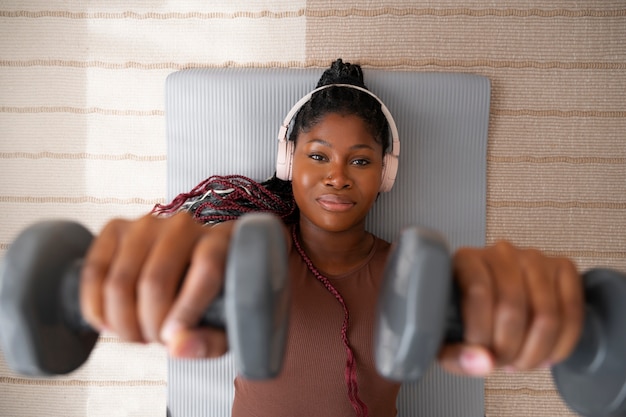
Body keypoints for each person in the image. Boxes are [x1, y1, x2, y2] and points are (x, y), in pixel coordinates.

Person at [80, 59, 584, 417]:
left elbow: (476, 300)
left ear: (385, 174)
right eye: (318, 156)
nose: (337, 177)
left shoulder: (408, 268)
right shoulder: (259, 251)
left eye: (360, 161)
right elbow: (213, 261)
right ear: (288, 162)